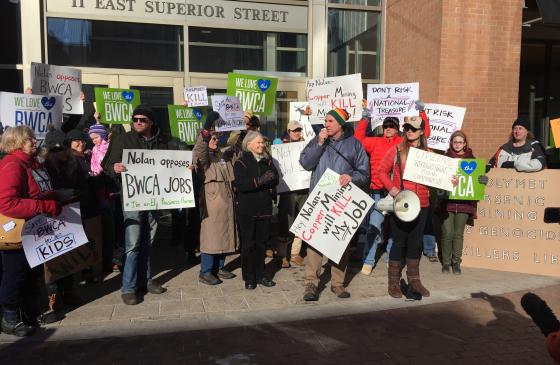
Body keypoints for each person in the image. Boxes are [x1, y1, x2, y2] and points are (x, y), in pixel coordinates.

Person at [299, 108, 370, 301]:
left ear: (340, 124)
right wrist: (319, 143)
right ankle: (311, 284)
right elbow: (305, 163)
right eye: (325, 121)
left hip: (342, 202)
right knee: (314, 243)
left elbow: (365, 174)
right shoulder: (318, 140)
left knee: (340, 244)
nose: (326, 124)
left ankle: (337, 284)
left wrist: (351, 177)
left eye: (330, 121)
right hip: (320, 199)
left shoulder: (354, 145)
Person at [101, 104, 168, 305]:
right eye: (135, 119)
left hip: (154, 199)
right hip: (133, 199)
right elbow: (106, 164)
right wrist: (115, 167)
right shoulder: (123, 139)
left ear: (151, 122)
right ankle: (128, 287)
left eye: (142, 119)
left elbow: (172, 164)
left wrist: (184, 167)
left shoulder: (162, 141)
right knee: (133, 244)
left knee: (149, 242)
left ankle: (145, 280)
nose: (138, 122)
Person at [355, 101, 430, 275]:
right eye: (385, 125)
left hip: (401, 195)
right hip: (379, 193)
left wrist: (422, 112)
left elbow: (424, 132)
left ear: (398, 129)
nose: (388, 128)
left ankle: (391, 259)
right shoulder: (375, 142)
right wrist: (364, 119)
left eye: (392, 125)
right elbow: (358, 140)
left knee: (395, 230)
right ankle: (368, 260)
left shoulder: (403, 143)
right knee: (374, 226)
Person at [0, 126, 61, 336]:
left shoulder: (32, 163)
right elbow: (6, 203)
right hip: (17, 232)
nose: (34, 141)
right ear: (16, 142)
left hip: (33, 228)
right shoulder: (12, 164)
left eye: (34, 138)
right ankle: (9, 318)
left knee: (31, 273)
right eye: (29, 139)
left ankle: (30, 314)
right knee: (14, 274)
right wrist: (43, 207)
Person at [378, 115, 432, 299]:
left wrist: (452, 180)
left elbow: (440, 178)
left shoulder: (429, 153)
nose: (409, 131)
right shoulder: (396, 150)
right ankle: (393, 282)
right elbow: (381, 171)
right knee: (399, 242)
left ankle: (414, 280)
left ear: (421, 132)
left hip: (422, 204)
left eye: (413, 129)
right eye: (407, 128)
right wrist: (393, 189)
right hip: (402, 203)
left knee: (415, 243)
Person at [192, 111, 238, 285]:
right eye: (212, 138)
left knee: (224, 234)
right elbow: (199, 150)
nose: (215, 140)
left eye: (216, 138)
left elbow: (236, 150)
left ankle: (219, 267)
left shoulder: (221, 156)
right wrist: (205, 129)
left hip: (227, 200)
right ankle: (205, 271)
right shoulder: (203, 159)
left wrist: (240, 132)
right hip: (212, 202)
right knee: (211, 236)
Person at [233, 131, 279, 290]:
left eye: (263, 142)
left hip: (264, 208)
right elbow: (241, 184)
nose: (262, 145)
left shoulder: (268, 160)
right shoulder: (241, 162)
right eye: (258, 143)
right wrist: (259, 181)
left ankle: (261, 274)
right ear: (249, 144)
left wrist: (269, 179)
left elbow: (276, 177)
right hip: (247, 210)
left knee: (261, 244)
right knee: (248, 245)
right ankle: (249, 276)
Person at [438, 131, 481, 275]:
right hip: (447, 203)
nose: (457, 145)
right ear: (451, 143)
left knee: (458, 234)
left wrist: (482, 180)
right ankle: (445, 262)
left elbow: (476, 180)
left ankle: (456, 262)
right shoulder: (444, 159)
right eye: (455, 142)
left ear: (465, 143)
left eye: (460, 142)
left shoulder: (472, 160)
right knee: (447, 233)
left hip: (464, 204)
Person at [275, 120, 309, 269]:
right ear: (288, 132)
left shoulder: (306, 147)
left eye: (299, 130)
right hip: (287, 192)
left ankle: (295, 254)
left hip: (303, 190)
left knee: (301, 222)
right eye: (294, 130)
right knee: (285, 223)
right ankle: (283, 255)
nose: (297, 132)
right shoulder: (281, 148)